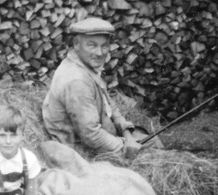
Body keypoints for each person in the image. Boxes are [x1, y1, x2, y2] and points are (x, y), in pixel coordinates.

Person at [42, 17, 163, 158]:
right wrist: (126, 148)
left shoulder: (85, 65)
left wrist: (127, 134)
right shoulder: (76, 81)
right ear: (76, 44)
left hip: (98, 138)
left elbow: (110, 106)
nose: (100, 53)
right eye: (92, 45)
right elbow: (91, 136)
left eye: (104, 46)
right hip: (81, 153)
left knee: (152, 142)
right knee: (151, 151)